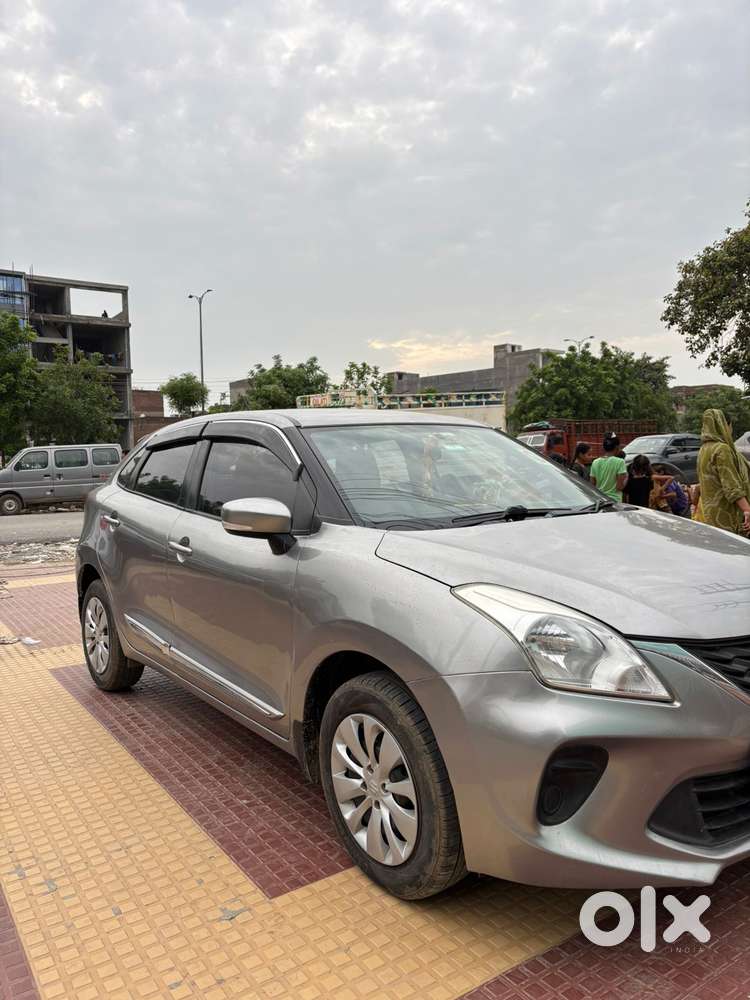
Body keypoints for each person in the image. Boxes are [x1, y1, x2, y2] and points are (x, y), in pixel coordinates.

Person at [697, 408, 750, 535]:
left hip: (710, 513)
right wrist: (747, 510)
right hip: (727, 514)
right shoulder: (722, 449)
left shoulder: (703, 449)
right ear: (724, 425)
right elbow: (731, 486)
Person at [590, 432, 628, 501]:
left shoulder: (595, 462)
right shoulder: (620, 462)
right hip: (614, 500)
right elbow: (619, 487)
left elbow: (592, 485)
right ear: (617, 447)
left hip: (599, 500)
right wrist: (626, 478)